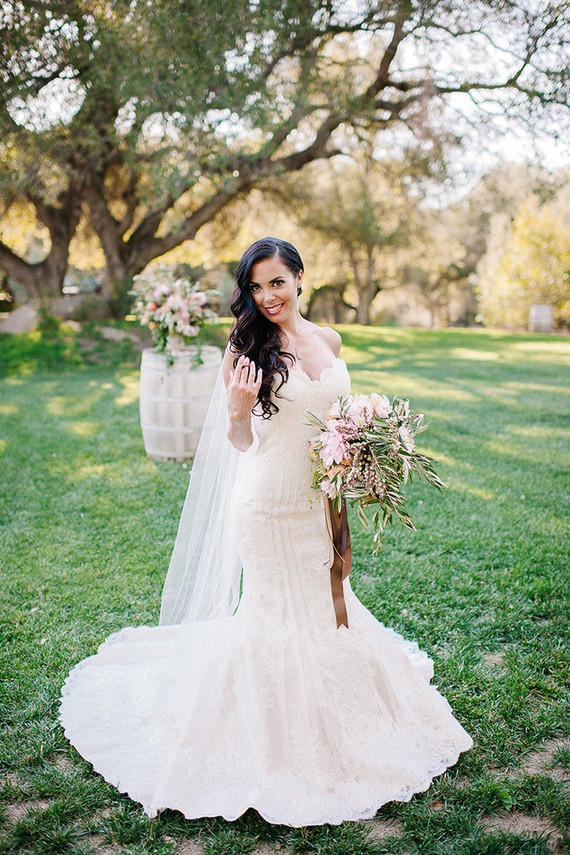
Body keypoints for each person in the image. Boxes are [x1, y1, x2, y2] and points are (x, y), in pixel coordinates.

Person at [60, 237, 472, 827]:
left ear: (300, 278)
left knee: (332, 610)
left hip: (318, 506)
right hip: (265, 507)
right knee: (277, 620)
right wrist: (235, 408)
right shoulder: (245, 349)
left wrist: (363, 451)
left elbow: (333, 420)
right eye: (256, 287)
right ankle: (274, 739)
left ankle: (348, 715)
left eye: (276, 282)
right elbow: (240, 444)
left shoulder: (329, 341)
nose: (267, 296)